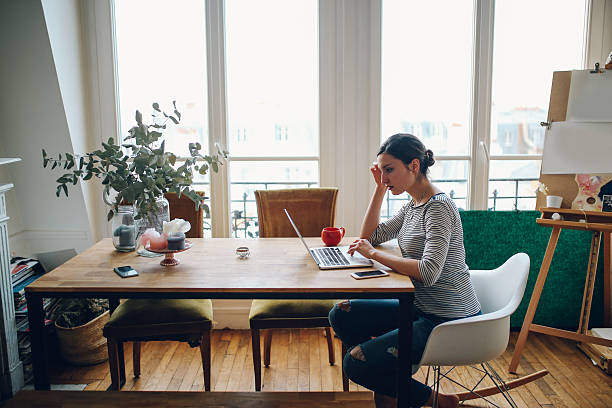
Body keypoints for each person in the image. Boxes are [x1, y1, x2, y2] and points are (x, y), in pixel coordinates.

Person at [328, 134, 481, 408]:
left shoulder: (439, 208)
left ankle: (438, 401)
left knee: (355, 363)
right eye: (382, 171)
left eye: (389, 170)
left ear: (413, 165)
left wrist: (373, 255)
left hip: (446, 319)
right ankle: (387, 377)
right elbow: (370, 236)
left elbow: (429, 271)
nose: (385, 177)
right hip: (419, 307)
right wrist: (379, 189)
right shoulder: (414, 205)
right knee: (342, 312)